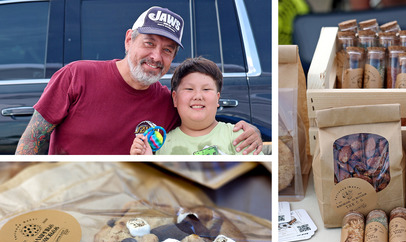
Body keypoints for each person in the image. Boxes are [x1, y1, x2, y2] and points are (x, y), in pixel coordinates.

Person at [15, 6, 262, 155]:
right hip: (66, 198)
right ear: (128, 40)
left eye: (167, 50)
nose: (156, 56)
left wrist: (249, 134)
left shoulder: (169, 102)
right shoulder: (76, 75)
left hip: (129, 211)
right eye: (149, 43)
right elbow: (33, 138)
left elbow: (203, 130)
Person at [131, 57, 263, 155]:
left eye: (206, 90)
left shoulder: (239, 136)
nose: (198, 96)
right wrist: (144, 161)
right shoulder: (161, 146)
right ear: (175, 99)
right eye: (189, 89)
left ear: (218, 98)